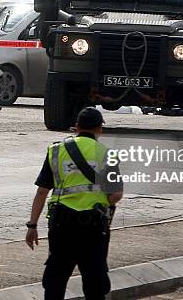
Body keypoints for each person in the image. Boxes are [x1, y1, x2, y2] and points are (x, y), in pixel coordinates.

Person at [26, 107, 123, 299]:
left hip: (62, 223)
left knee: (56, 277)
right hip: (94, 225)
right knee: (95, 279)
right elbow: (116, 194)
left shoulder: (56, 151)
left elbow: (42, 191)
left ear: (76, 127)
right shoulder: (106, 154)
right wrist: (102, 202)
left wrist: (32, 225)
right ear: (100, 129)